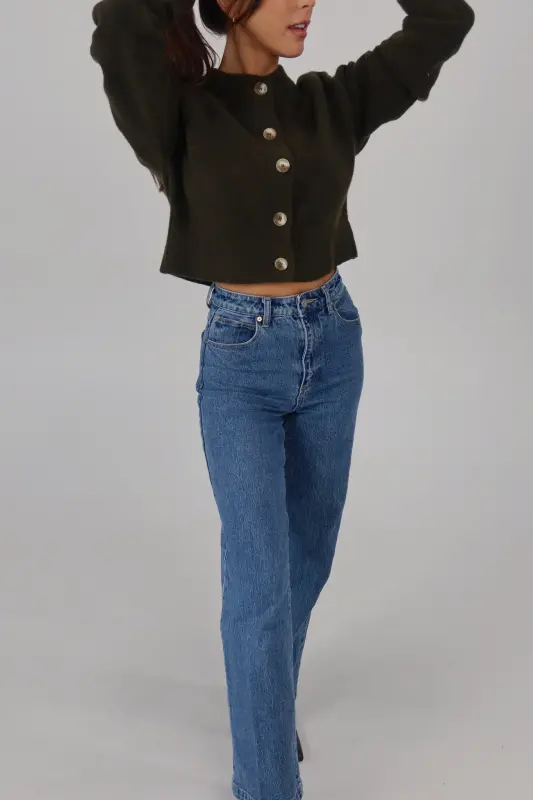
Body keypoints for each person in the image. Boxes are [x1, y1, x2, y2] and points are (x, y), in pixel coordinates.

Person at [89, 1, 475, 798]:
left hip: (333, 344)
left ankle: (267, 705)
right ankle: (265, 782)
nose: (307, 4)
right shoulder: (176, 112)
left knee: (306, 559)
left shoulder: (334, 100)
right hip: (241, 360)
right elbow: (121, 24)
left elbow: (444, 20)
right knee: (259, 587)